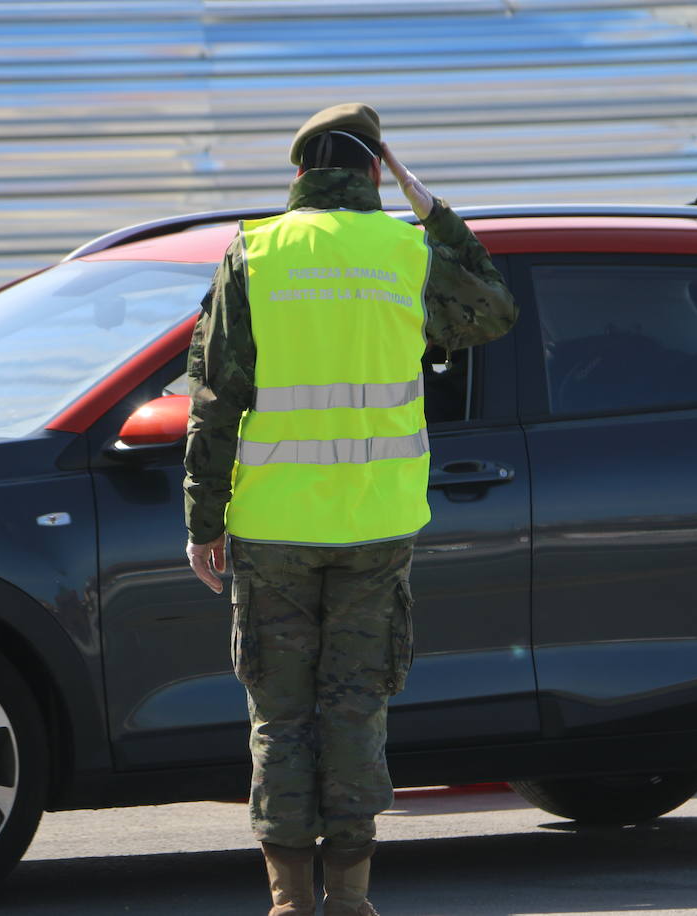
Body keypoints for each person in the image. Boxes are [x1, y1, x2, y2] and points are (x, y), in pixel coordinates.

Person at [183, 102, 516, 916]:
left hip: (273, 526)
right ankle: (353, 900)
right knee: (356, 708)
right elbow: (494, 309)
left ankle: (290, 901)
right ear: (376, 171)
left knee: (281, 715)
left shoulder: (254, 252)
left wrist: (202, 521)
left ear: (299, 173)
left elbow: (215, 397)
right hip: (375, 525)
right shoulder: (406, 250)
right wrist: (434, 210)